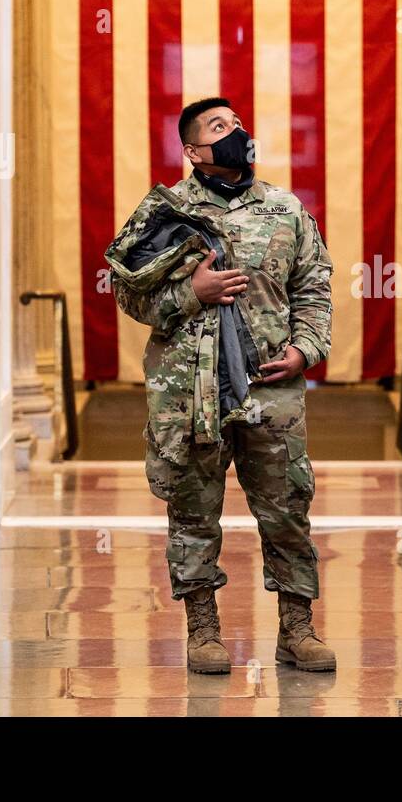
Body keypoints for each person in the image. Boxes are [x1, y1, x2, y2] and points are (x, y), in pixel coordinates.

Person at [109, 97, 336, 674]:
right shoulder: (164, 213)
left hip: (271, 388)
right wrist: (193, 293)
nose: (236, 132)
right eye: (218, 128)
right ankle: (203, 630)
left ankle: (297, 628)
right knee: (193, 509)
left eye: (236, 123)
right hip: (191, 391)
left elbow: (314, 286)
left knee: (287, 507)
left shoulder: (284, 209)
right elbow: (128, 294)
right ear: (192, 151)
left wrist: (304, 349)